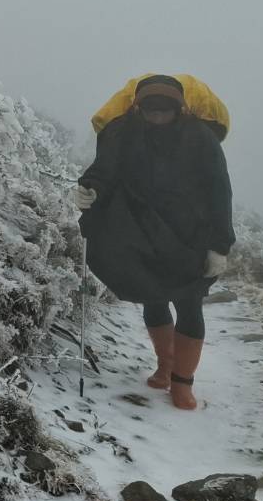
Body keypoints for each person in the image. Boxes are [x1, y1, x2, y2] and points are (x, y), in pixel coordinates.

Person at [73, 75, 234, 410]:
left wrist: (220, 245)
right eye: (150, 110)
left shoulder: (201, 138)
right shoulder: (123, 132)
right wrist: (91, 189)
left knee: (189, 302)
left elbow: (219, 191)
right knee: (153, 295)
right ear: (138, 107)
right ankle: (165, 366)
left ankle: (182, 383)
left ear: (180, 108)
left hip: (191, 235)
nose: (158, 117)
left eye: (165, 111)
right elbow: (105, 169)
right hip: (141, 230)